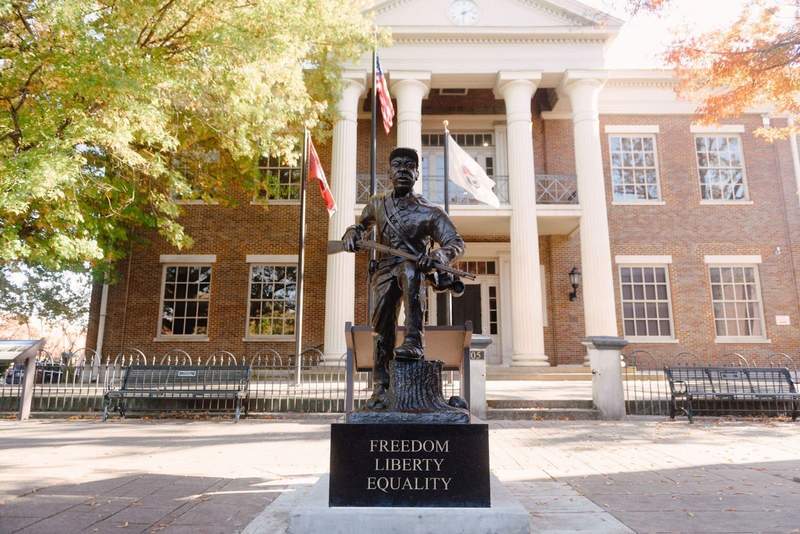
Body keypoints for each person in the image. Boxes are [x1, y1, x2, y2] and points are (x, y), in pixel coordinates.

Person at [341, 147, 464, 409]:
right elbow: (361, 225)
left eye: (410, 165)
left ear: (418, 173)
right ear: (389, 172)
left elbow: (455, 243)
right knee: (381, 330)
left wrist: (439, 257)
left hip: (413, 272)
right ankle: (380, 389)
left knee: (409, 270)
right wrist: (351, 232)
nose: (403, 170)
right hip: (384, 271)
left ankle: (413, 341)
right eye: (397, 165)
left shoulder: (430, 212)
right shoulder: (377, 203)